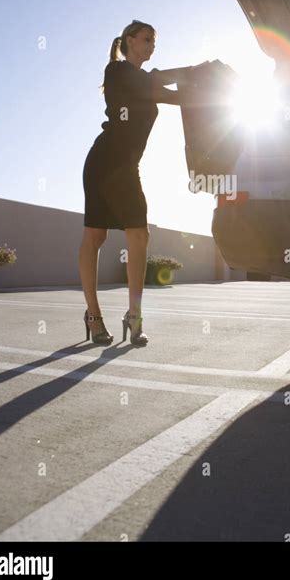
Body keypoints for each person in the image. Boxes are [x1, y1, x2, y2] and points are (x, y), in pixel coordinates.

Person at [79, 20, 205, 346]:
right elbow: (160, 87)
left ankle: (134, 314)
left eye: (154, 41)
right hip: (106, 161)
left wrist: (201, 78)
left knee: (138, 234)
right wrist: (193, 74)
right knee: (97, 236)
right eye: (147, 39)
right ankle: (94, 315)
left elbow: (169, 90)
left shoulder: (144, 79)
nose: (152, 45)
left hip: (125, 165)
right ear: (130, 41)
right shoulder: (118, 71)